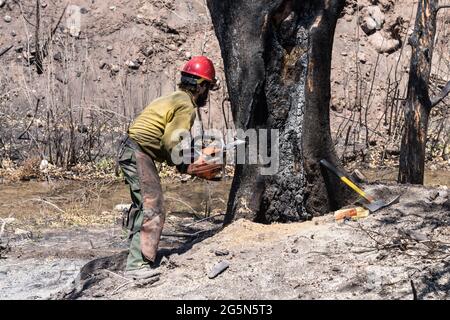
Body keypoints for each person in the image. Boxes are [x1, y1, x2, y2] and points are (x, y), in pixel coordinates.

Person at [117, 56, 222, 277]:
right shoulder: (187, 106)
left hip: (133, 150)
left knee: (144, 205)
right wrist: (187, 166)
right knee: (151, 206)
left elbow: (169, 139)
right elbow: (171, 142)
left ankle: (136, 256)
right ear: (201, 86)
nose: (207, 94)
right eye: (208, 88)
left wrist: (188, 156)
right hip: (138, 152)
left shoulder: (173, 97)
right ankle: (137, 266)